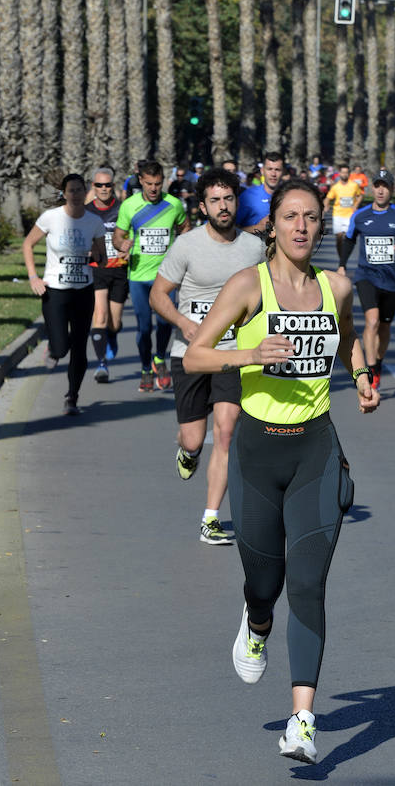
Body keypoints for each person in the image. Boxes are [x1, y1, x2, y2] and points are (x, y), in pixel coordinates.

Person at [183, 180, 379, 765]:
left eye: (311, 218)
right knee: (265, 583)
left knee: (310, 584)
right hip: (257, 452)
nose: (300, 226)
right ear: (272, 225)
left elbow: (346, 342)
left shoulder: (335, 286)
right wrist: (249, 354)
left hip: (315, 448)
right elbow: (196, 354)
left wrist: (364, 375)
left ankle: (302, 721)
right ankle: (257, 620)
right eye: (290, 216)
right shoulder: (248, 286)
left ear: (322, 226)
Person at [150, 168, 265, 545]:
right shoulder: (187, 246)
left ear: (237, 202)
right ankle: (188, 452)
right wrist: (183, 323)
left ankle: (211, 517)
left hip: (233, 353)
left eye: (228, 199)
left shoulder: (253, 248)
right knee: (195, 439)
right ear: (202, 207)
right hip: (191, 353)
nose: (222, 206)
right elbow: (158, 295)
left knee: (227, 431)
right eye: (214, 200)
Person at [23, 174, 106, 415]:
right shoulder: (51, 218)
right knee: (60, 349)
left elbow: (103, 258)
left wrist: (96, 257)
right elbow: (28, 244)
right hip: (55, 292)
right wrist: (33, 277)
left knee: (80, 347)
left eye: (80, 190)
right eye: (71, 190)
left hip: (83, 291)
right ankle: (54, 349)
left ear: (85, 192)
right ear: (64, 193)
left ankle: (72, 397)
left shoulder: (94, 221)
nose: (76, 195)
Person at [337, 172, 395, 390]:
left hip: (392, 281)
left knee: (384, 327)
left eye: (385, 186)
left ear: (392, 189)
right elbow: (348, 240)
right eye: (377, 186)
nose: (381, 190)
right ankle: (370, 369)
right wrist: (342, 264)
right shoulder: (361, 215)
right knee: (372, 321)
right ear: (371, 189)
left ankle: (379, 363)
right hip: (366, 276)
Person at [113, 160, 189, 392]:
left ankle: (159, 360)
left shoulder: (173, 204)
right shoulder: (129, 205)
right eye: (149, 184)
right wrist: (122, 244)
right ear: (141, 182)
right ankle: (146, 368)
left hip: (166, 276)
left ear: (163, 181)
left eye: (157, 183)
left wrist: (180, 251)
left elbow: (185, 228)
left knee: (166, 323)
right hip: (138, 276)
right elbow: (118, 236)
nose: (154, 188)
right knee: (144, 328)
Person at [85, 167, 129, 382]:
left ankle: (111, 336)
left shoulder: (123, 209)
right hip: (97, 269)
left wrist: (129, 248)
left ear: (113, 186)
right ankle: (101, 364)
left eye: (108, 185)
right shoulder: (85, 211)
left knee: (115, 322)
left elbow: (133, 235)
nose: (104, 189)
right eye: (99, 185)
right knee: (100, 316)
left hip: (119, 270)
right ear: (93, 187)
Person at [235, 152, 284, 234]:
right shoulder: (248, 196)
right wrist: (259, 227)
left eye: (277, 170)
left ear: (283, 172)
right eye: (269, 169)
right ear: (262, 171)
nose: (273, 174)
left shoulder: (289, 197)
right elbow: (232, 230)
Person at [323, 163, 363, 256]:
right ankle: (341, 257)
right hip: (338, 215)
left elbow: (360, 195)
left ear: (349, 174)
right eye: (343, 172)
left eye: (346, 172)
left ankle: (343, 260)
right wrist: (326, 204)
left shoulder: (354, 185)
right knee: (339, 238)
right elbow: (328, 198)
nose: (344, 174)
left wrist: (356, 205)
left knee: (346, 237)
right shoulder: (335, 187)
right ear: (339, 174)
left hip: (349, 215)